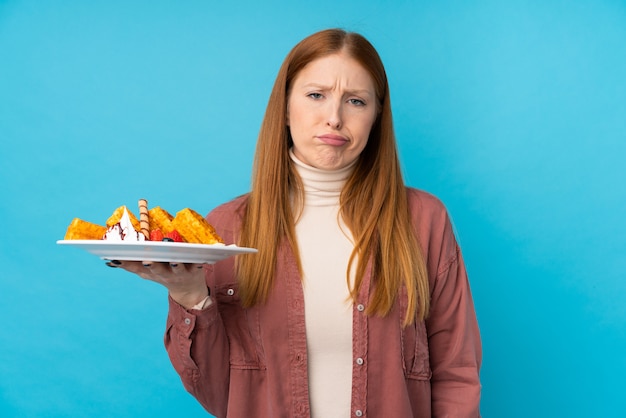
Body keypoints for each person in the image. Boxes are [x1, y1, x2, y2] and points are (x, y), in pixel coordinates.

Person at [113, 28, 482, 417]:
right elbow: (223, 395)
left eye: (356, 101)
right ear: (286, 109)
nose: (335, 117)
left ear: (376, 116)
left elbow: (456, 372)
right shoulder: (225, 230)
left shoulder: (423, 220)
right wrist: (190, 297)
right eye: (316, 95)